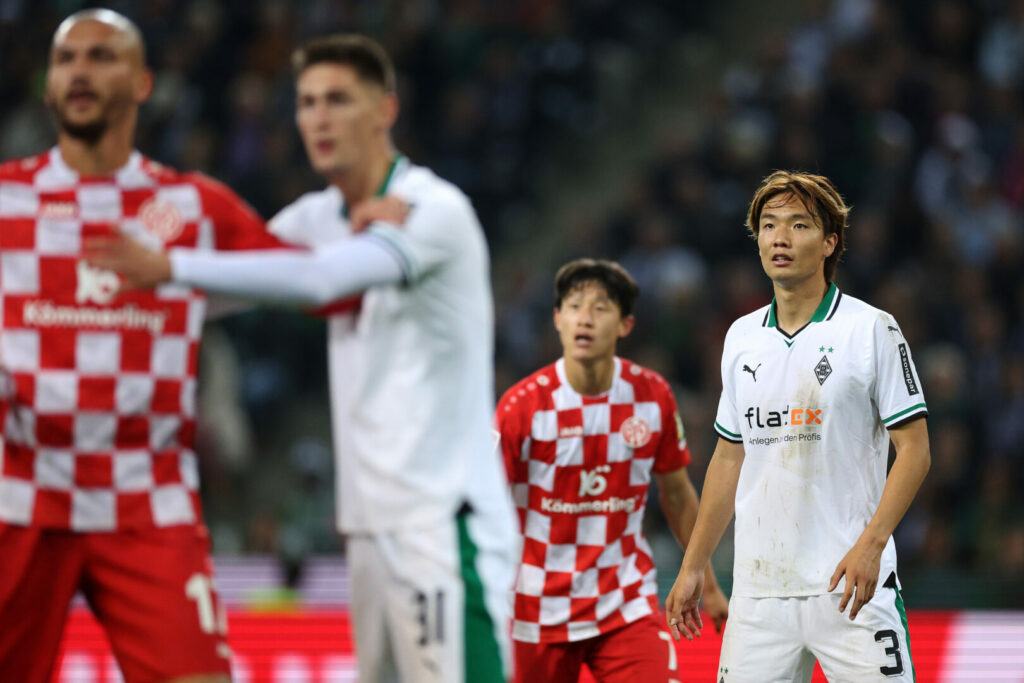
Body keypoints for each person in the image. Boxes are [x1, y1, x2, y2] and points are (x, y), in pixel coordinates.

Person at [87, 34, 518, 683]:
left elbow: (319, 281)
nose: (319, 117)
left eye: (339, 99)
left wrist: (167, 264)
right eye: (308, 101)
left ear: (385, 110)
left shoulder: (434, 210)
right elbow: (227, 289)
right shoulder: (318, 218)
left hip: (443, 527)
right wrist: (100, 305)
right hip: (368, 529)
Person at [0, 9, 288, 683]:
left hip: (146, 502)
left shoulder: (191, 207)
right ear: (47, 86)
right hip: (19, 499)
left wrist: (362, 228)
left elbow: (305, 279)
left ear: (144, 83)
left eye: (102, 57)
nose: (79, 71)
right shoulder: (4, 199)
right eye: (66, 59)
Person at [664, 171, 931, 682]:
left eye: (798, 225)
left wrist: (872, 545)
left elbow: (915, 451)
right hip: (759, 594)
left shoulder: (871, 329)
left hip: (850, 587)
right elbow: (728, 458)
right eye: (767, 225)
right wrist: (694, 565)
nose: (779, 238)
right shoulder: (741, 337)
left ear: (830, 242)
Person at [494, 258, 729, 682]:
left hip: (624, 603)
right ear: (557, 320)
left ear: (625, 324)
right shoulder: (521, 407)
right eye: (573, 306)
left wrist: (706, 581)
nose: (585, 318)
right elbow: (486, 504)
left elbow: (676, 495)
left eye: (600, 308)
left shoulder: (652, 396)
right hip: (536, 607)